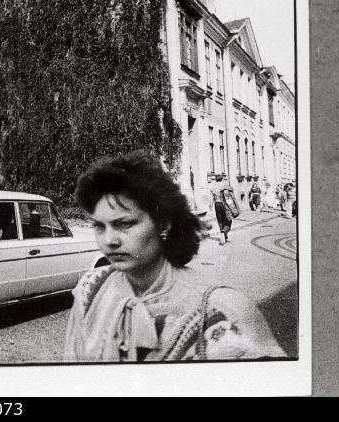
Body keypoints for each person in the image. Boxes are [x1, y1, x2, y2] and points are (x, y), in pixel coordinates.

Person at [64, 151, 284, 362]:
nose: (109, 240)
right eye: (100, 226)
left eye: (125, 224)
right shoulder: (92, 289)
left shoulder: (221, 309)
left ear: (163, 224)